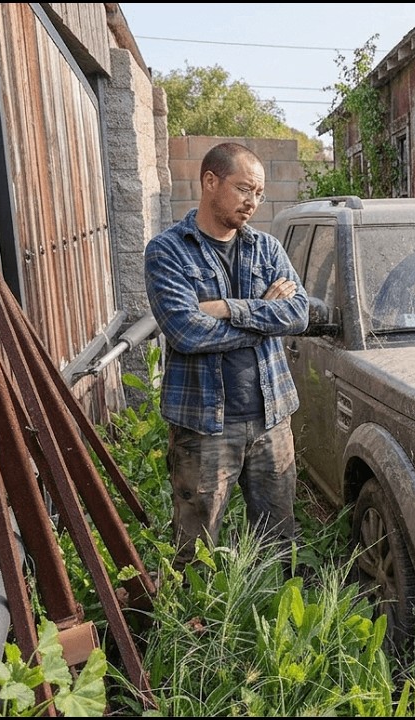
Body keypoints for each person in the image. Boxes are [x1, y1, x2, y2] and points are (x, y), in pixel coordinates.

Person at [144, 141, 315, 572]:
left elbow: (297, 314)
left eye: (258, 193)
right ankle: (197, 630)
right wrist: (263, 314)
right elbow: (185, 331)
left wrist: (227, 308)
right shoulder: (168, 251)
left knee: (278, 539)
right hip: (204, 425)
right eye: (244, 189)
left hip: (272, 418)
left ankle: (273, 620)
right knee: (196, 547)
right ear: (209, 181)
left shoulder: (267, 249)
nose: (253, 202)